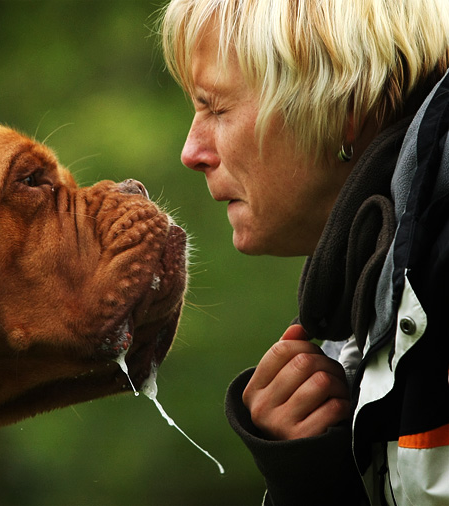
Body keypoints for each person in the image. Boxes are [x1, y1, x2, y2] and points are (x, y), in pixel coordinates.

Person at [158, 0, 449, 504]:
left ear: (344, 108)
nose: (192, 152)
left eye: (217, 108)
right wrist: (312, 478)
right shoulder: (364, 288)